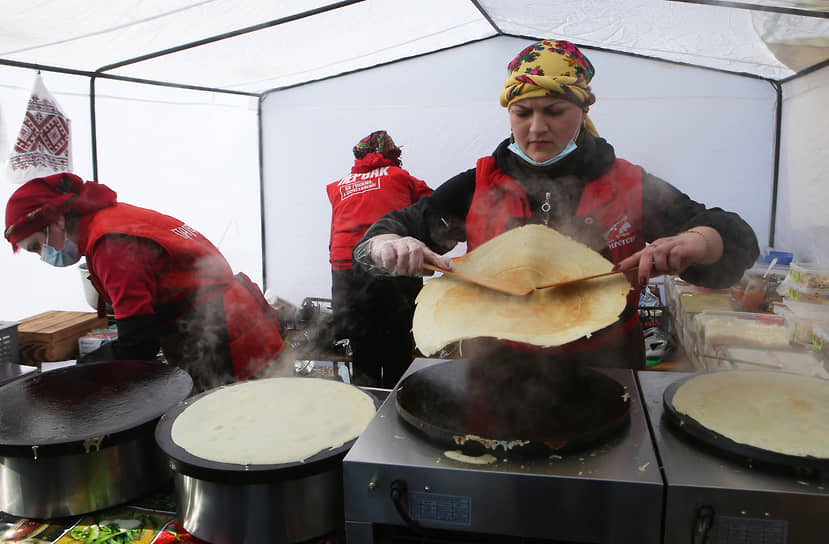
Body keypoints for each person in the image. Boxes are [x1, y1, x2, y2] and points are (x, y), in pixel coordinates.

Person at [353, 39, 759, 370]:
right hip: (495, 369)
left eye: (555, 110)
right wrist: (388, 244)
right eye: (522, 112)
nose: (536, 127)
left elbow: (733, 239)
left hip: (606, 365)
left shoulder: (629, 184)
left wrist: (699, 241)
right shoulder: (479, 184)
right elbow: (385, 234)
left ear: (582, 110)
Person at [4, 173, 285, 391]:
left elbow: (139, 342)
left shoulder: (109, 244)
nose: (43, 256)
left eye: (36, 246)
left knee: (233, 432)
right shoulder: (111, 218)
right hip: (234, 320)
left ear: (56, 222)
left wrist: (81, 370)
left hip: (224, 336)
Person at [327, 130, 433, 387]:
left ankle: (366, 407)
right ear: (392, 153)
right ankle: (395, 406)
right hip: (389, 263)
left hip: (345, 271)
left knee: (362, 345)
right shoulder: (400, 176)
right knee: (398, 342)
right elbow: (432, 204)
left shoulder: (338, 185)